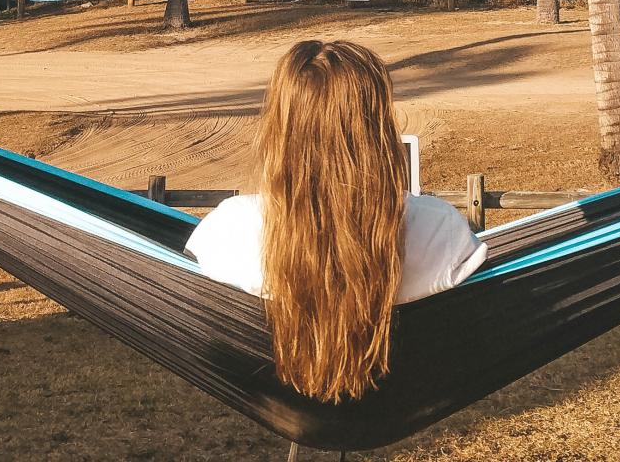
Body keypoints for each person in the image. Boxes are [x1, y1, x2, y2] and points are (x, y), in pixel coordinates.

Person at [185, 39, 487, 402]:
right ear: (379, 131)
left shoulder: (229, 231)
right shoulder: (442, 231)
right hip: (398, 398)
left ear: (280, 131)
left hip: (278, 393)